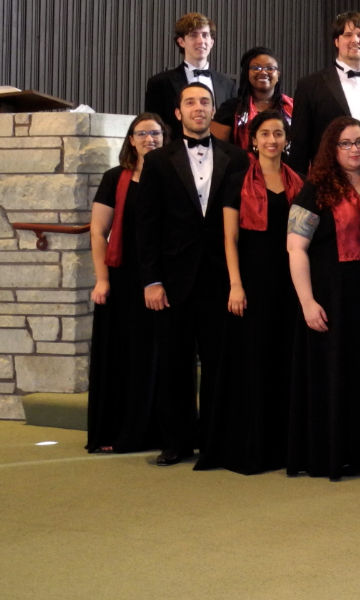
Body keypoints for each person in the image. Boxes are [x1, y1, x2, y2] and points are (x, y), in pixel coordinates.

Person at [286, 118, 360, 480]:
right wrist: (307, 301)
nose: (355, 150)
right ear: (331, 150)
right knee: (338, 375)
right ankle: (338, 452)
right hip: (334, 299)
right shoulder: (315, 189)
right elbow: (295, 248)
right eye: (346, 144)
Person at [137, 83, 249, 466]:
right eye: (190, 102)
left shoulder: (238, 158)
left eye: (205, 102)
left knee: (220, 362)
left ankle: (216, 439)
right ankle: (176, 441)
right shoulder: (156, 161)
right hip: (172, 280)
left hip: (221, 278)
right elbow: (146, 227)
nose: (198, 108)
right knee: (174, 362)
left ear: (213, 111)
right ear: (178, 112)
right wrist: (151, 280)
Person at [195, 109, 303, 475]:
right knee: (254, 363)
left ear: (286, 141)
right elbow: (230, 238)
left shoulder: (298, 183)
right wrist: (235, 285)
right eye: (265, 134)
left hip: (290, 285)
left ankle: (284, 446)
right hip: (252, 285)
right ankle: (253, 446)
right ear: (253, 140)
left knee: (284, 362)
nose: (272, 140)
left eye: (279, 134)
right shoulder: (236, 180)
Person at [87, 114, 166, 454]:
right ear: (131, 140)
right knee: (126, 357)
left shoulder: (173, 177)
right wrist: (102, 279)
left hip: (163, 278)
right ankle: (121, 431)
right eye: (143, 134)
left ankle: (157, 432)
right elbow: (98, 230)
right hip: (123, 278)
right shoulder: (113, 178)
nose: (150, 139)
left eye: (156, 133)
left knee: (157, 357)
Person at [287, 12, 360, 173]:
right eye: (348, 35)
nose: (355, 40)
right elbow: (300, 145)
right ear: (337, 41)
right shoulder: (310, 85)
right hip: (330, 180)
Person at [144, 13, 238, 143]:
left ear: (212, 42)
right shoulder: (160, 83)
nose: (201, 41)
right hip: (174, 157)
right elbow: (154, 126)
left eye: (205, 35)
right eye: (193, 35)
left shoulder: (228, 84)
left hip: (219, 158)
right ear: (181, 41)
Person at [211, 46, 294, 151]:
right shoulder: (231, 108)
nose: (263, 72)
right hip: (243, 166)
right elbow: (217, 151)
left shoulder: (294, 107)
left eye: (270, 68)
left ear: (278, 74)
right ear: (247, 74)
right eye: (256, 68)